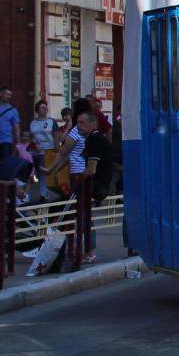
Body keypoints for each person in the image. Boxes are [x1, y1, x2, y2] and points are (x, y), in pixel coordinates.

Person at [67, 110, 111, 264]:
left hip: (95, 186)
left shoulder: (94, 139)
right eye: (77, 122)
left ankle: (85, 251)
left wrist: (80, 180)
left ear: (93, 124)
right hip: (98, 185)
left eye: (82, 122)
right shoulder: (92, 138)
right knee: (82, 217)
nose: (78, 126)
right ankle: (81, 250)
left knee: (81, 216)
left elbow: (91, 169)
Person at [0, 88, 21, 161]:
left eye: (10, 95)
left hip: (6, 141)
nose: (9, 96)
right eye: (7, 94)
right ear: (1, 94)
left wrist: (18, 143)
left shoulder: (13, 110)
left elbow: (16, 127)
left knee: (4, 163)